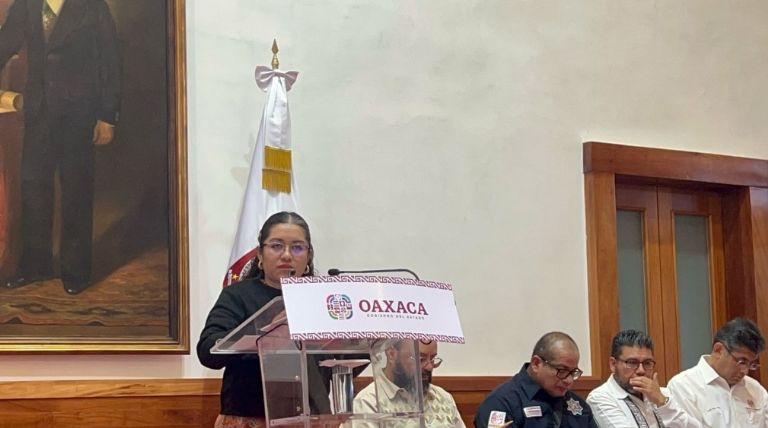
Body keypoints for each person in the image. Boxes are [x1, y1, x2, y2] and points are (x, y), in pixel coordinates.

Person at [0, 0, 121, 295]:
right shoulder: (26, 5)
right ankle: (35, 265)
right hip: (39, 111)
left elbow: (110, 60)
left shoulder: (92, 7)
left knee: (76, 190)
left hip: (78, 113)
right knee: (33, 188)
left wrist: (107, 115)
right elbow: (3, 46)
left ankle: (75, 270)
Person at [198, 211, 317, 428]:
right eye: (276, 246)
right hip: (249, 417)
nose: (287, 255)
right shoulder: (238, 295)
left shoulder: (320, 299)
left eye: (298, 247)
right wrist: (266, 332)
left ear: (308, 256)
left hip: (312, 417)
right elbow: (207, 351)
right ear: (260, 254)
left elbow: (344, 356)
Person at [474, 331, 597, 428]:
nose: (569, 380)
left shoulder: (578, 404)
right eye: (562, 371)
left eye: (573, 372)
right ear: (536, 363)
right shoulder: (501, 403)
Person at [667, 317, 768, 427]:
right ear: (718, 350)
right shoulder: (684, 387)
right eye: (742, 362)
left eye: (751, 364)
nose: (745, 371)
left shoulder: (755, 389)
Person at [587, 329, 696, 427]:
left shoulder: (662, 394)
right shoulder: (600, 398)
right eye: (632, 362)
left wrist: (661, 402)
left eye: (647, 363)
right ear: (613, 364)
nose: (641, 370)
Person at [353, 339, 466, 427]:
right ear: (391, 354)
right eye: (420, 359)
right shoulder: (369, 402)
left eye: (432, 359)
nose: (429, 367)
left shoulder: (443, 398)